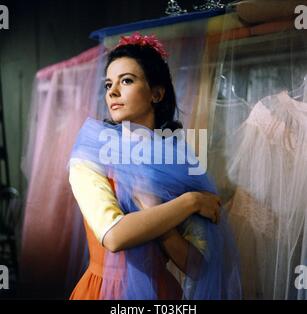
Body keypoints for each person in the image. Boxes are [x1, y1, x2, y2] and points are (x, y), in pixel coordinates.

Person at [68, 32, 241, 300]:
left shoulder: (177, 161)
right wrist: (190, 201)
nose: (112, 91)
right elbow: (114, 237)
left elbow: (197, 267)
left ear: (156, 93)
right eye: (108, 84)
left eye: (126, 80)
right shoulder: (90, 157)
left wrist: (158, 217)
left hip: (163, 293)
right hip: (104, 291)